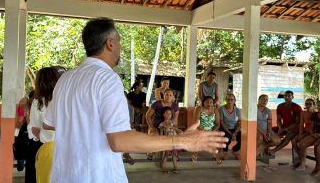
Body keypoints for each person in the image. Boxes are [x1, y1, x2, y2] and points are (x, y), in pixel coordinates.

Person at [42, 17, 227, 183]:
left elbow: (49, 124)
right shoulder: (106, 79)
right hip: (97, 176)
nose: (120, 47)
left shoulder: (66, 79)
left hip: (63, 176)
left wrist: (83, 127)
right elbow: (119, 141)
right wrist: (182, 141)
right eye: (119, 41)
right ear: (110, 44)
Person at [27, 67, 59, 183]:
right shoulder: (62, 100)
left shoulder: (37, 101)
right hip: (61, 147)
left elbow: (33, 130)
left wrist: (41, 132)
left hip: (42, 147)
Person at [296, 100, 320, 171]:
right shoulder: (314, 115)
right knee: (302, 144)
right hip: (315, 134)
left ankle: (318, 167)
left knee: (317, 146)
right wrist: (313, 134)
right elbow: (311, 128)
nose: (319, 107)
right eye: (318, 106)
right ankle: (302, 164)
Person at [146, 88, 179, 160]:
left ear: (173, 97)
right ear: (163, 95)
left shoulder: (175, 106)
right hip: (156, 126)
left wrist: (175, 129)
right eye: (166, 94)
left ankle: (174, 153)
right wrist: (151, 127)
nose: (168, 96)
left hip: (168, 127)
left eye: (171, 95)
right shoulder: (157, 104)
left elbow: (175, 120)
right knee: (154, 135)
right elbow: (148, 116)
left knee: (176, 136)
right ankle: (150, 152)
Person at [269, 90, 302, 157]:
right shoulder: (280, 106)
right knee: (269, 131)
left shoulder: (297, 107)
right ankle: (265, 149)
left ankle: (274, 151)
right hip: (284, 126)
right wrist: (280, 128)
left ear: (292, 97)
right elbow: (278, 119)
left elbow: (297, 123)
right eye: (285, 96)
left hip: (295, 128)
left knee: (289, 136)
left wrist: (284, 130)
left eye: (289, 96)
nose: (287, 97)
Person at [189, 96, 221, 164]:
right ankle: (195, 154)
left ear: (213, 103)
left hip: (212, 130)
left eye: (211, 102)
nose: (209, 104)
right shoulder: (199, 109)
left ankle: (216, 155)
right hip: (200, 129)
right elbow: (196, 122)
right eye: (207, 102)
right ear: (203, 103)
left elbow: (218, 124)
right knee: (199, 140)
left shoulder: (215, 110)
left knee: (215, 142)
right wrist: (203, 131)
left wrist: (213, 131)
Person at [14, 90, 34, 172]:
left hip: (32, 130)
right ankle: (20, 163)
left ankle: (21, 163)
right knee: (21, 144)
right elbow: (19, 121)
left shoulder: (37, 106)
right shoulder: (24, 104)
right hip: (25, 129)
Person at [158, 107, 182, 173]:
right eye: (167, 113)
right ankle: (163, 168)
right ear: (163, 114)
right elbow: (161, 134)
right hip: (167, 141)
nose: (169, 115)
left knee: (174, 154)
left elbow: (178, 131)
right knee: (166, 154)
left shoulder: (173, 122)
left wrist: (172, 127)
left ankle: (175, 168)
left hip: (174, 140)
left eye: (170, 114)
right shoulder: (161, 124)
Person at [218, 93, 241, 160]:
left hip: (235, 129)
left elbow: (239, 123)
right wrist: (231, 133)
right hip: (225, 128)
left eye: (232, 99)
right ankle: (226, 152)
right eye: (228, 99)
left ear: (234, 100)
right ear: (226, 100)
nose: (230, 101)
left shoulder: (237, 110)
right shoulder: (221, 109)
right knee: (227, 137)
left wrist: (235, 133)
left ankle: (236, 151)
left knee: (240, 136)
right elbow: (222, 123)